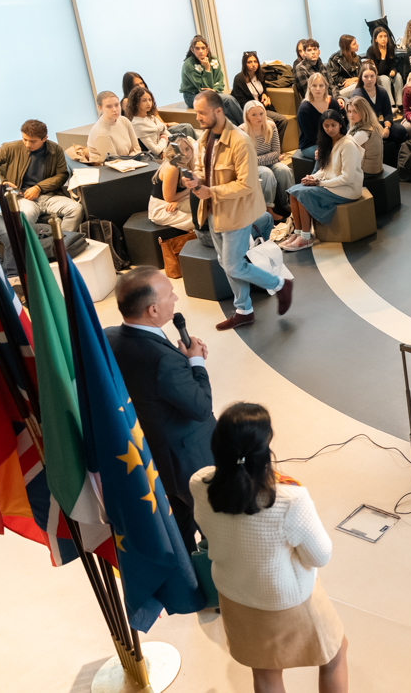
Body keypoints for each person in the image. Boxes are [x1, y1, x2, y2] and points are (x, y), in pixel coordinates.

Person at [190, 403, 348, 693]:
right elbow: (320, 556)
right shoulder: (289, 498)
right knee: (334, 655)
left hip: (235, 597)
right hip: (286, 601)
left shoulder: (199, 483)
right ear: (264, 452)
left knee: (265, 674)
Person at [105, 267, 214, 554]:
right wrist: (195, 364)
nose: (176, 298)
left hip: (153, 458)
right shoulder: (163, 359)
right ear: (153, 309)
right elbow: (200, 407)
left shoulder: (109, 338)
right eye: (170, 295)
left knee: (178, 531)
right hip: (189, 460)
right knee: (214, 530)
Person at [184, 91, 291, 327]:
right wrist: (195, 180)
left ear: (218, 111)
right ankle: (244, 310)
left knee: (233, 264)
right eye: (196, 112)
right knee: (225, 262)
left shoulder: (241, 141)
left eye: (201, 112)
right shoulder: (204, 139)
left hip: (237, 212)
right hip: (213, 211)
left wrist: (212, 191)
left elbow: (247, 184)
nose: (198, 118)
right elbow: (205, 173)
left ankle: (279, 284)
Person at [0, 119, 84, 233]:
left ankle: (61, 243)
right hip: (22, 197)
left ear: (44, 138)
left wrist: (39, 187)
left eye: (32, 141)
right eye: (24, 139)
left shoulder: (55, 150)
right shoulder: (11, 148)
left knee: (76, 209)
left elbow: (62, 175)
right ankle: (35, 248)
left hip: (49, 196)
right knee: (27, 215)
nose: (27, 144)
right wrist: (3, 181)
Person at [282, 111, 363, 252]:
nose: (330, 129)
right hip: (333, 184)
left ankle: (306, 238)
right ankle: (298, 233)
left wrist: (319, 183)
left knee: (303, 194)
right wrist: (313, 178)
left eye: (333, 125)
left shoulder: (348, 144)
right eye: (326, 126)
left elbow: (347, 178)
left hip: (348, 189)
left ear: (340, 124)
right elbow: (326, 170)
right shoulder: (328, 142)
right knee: (294, 192)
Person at [149, 137, 196, 232]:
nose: (185, 154)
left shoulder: (188, 163)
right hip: (163, 207)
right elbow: (169, 198)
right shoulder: (172, 168)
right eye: (180, 151)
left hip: (177, 201)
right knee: (201, 220)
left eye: (187, 149)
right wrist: (190, 189)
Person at [297, 72, 342, 159]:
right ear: (309, 88)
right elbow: (310, 136)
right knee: (324, 152)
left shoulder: (333, 103)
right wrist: (330, 145)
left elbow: (340, 124)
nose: (318, 89)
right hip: (310, 144)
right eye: (314, 86)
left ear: (325, 87)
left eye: (321, 85)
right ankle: (315, 173)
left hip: (333, 140)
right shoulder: (304, 108)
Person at [87, 90, 141, 158]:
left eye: (116, 105)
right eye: (109, 107)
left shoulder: (124, 120)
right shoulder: (100, 132)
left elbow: (137, 149)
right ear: (100, 108)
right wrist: (132, 157)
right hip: (105, 167)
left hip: (129, 162)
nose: (115, 109)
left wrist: (133, 156)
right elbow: (114, 161)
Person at [364, 25, 402, 106]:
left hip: (388, 74)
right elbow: (378, 71)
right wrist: (383, 57)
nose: (384, 39)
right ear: (376, 39)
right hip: (377, 75)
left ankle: (400, 104)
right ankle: (390, 105)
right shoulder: (371, 50)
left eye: (385, 36)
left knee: (398, 76)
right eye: (380, 36)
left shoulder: (390, 48)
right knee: (385, 79)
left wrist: (393, 70)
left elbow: (393, 64)